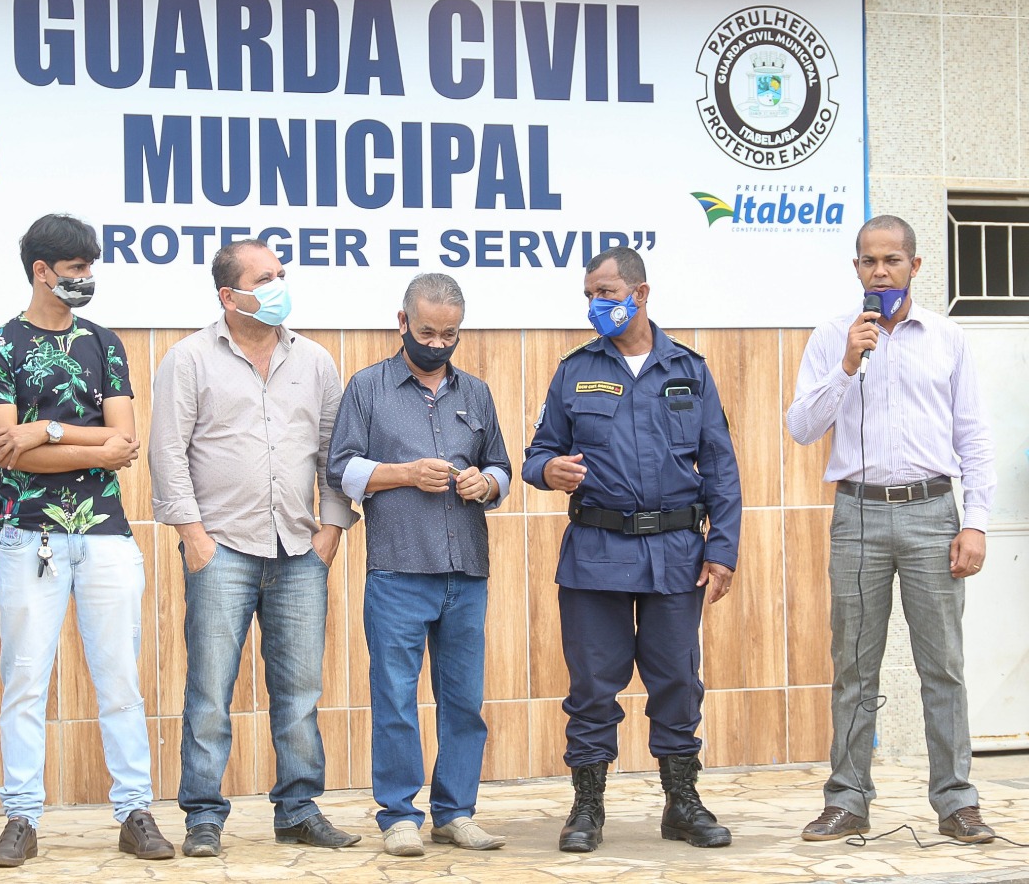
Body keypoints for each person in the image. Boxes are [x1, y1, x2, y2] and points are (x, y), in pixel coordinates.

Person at [522, 246, 742, 853]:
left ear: (640, 295)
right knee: (593, 686)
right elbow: (536, 455)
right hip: (596, 551)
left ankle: (682, 804)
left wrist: (721, 551)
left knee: (677, 682)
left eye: (608, 294)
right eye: (591, 295)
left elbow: (721, 467)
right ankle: (587, 807)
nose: (597, 305)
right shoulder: (574, 370)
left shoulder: (690, 369)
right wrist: (550, 472)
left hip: (676, 553)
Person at [787, 215, 997, 844]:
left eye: (892, 261)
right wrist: (848, 363)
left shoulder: (948, 338)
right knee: (854, 665)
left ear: (914, 266)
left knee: (945, 666)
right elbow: (800, 426)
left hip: (935, 512)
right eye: (868, 262)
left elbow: (975, 438)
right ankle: (847, 800)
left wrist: (977, 523)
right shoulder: (833, 337)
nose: (880, 272)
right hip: (857, 513)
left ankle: (957, 801)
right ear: (856, 269)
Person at [0, 214, 174, 867]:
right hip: (28, 536)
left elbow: (125, 443)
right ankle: (21, 818)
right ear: (42, 271)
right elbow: (9, 455)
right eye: (77, 269)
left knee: (120, 678)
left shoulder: (103, 343)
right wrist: (46, 443)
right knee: (25, 680)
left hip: (107, 535)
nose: (87, 279)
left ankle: (135, 812)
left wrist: (47, 432)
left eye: (90, 268)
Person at [149, 239, 359, 857]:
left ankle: (297, 808)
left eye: (281, 275)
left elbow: (333, 452)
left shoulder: (316, 361)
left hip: (300, 549)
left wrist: (331, 531)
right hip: (222, 549)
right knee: (210, 692)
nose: (278, 285)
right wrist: (193, 537)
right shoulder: (188, 359)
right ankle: (204, 816)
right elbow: (167, 453)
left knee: (299, 692)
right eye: (265, 278)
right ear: (228, 294)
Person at [326, 273, 513, 857]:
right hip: (398, 569)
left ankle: (455, 812)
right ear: (402, 323)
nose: (437, 342)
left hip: (466, 571)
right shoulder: (367, 388)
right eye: (427, 331)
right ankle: (398, 815)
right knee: (395, 699)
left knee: (463, 701)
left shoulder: (476, 393)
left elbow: (503, 467)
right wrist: (405, 473)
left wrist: (488, 484)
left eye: (449, 334)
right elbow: (340, 469)